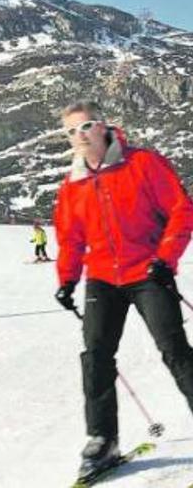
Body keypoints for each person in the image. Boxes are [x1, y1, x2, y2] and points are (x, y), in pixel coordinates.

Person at [53, 101, 193, 481]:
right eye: (71, 131)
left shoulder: (142, 163)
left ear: (103, 127)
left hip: (147, 270)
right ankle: (102, 439)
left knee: (174, 350)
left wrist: (165, 258)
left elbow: (181, 210)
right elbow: (70, 238)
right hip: (102, 278)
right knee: (96, 356)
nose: (79, 136)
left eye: (85, 127)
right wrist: (66, 280)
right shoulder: (73, 185)